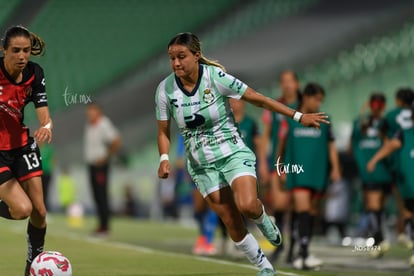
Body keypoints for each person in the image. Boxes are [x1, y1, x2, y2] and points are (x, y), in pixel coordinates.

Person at [155, 32, 328, 276]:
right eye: (172, 58)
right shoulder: (165, 90)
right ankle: (264, 267)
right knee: (230, 220)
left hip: (232, 152)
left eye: (181, 57)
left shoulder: (215, 78)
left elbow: (259, 99)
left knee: (247, 205)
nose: (176, 64)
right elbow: (163, 131)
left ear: (196, 56)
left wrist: (299, 116)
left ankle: (264, 220)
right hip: (202, 165)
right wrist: (164, 158)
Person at [0, 25, 50, 275]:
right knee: (22, 209)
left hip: (22, 146)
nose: (22, 56)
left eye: (26, 51)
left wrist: (46, 126)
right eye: (16, 51)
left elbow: (43, 112)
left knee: (39, 211)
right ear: (4, 50)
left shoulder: (34, 73)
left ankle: (34, 266)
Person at [277, 83, 341, 270]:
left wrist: (335, 168)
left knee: (310, 213)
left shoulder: (325, 119)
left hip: (318, 172)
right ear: (305, 97)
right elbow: (281, 146)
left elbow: (331, 146)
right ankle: (303, 255)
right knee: (303, 209)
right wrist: (280, 168)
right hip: (297, 172)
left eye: (321, 100)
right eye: (316, 99)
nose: (318, 103)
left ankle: (297, 251)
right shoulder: (291, 119)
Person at [261, 70, 301, 263]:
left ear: (297, 84)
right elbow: (266, 135)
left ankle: (294, 247)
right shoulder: (273, 105)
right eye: (283, 82)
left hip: (298, 161)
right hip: (278, 162)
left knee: (296, 204)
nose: (286, 85)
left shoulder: (303, 106)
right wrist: (261, 162)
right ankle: (280, 244)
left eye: (290, 81)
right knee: (279, 204)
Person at [367, 106, 414, 268]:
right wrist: (375, 159)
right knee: (408, 213)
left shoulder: (404, 133)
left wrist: (374, 159)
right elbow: (390, 146)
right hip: (409, 182)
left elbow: (390, 146)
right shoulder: (404, 134)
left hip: (408, 181)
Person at [349, 93, 391, 257]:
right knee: (376, 206)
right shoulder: (381, 123)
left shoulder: (361, 123)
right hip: (383, 170)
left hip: (372, 169)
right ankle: (378, 238)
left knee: (374, 206)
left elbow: (350, 147)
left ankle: (378, 239)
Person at [381, 88, 414, 248]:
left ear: (398, 100)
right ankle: (405, 230)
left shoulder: (392, 115)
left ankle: (404, 230)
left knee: (403, 198)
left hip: (398, 161)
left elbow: (383, 132)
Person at [84, 103, 121, 235]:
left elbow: (116, 140)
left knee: (101, 195)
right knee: (96, 195)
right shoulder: (90, 125)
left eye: (92, 111)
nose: (89, 113)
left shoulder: (104, 124)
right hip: (92, 165)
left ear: (98, 111)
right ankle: (101, 224)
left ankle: (105, 226)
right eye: (88, 111)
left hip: (100, 166)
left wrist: (106, 157)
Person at [39, 142, 54, 210]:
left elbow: (53, 159)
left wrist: (50, 167)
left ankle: (45, 209)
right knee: (37, 192)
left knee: (45, 191)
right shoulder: (35, 148)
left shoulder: (48, 149)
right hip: (37, 173)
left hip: (46, 173)